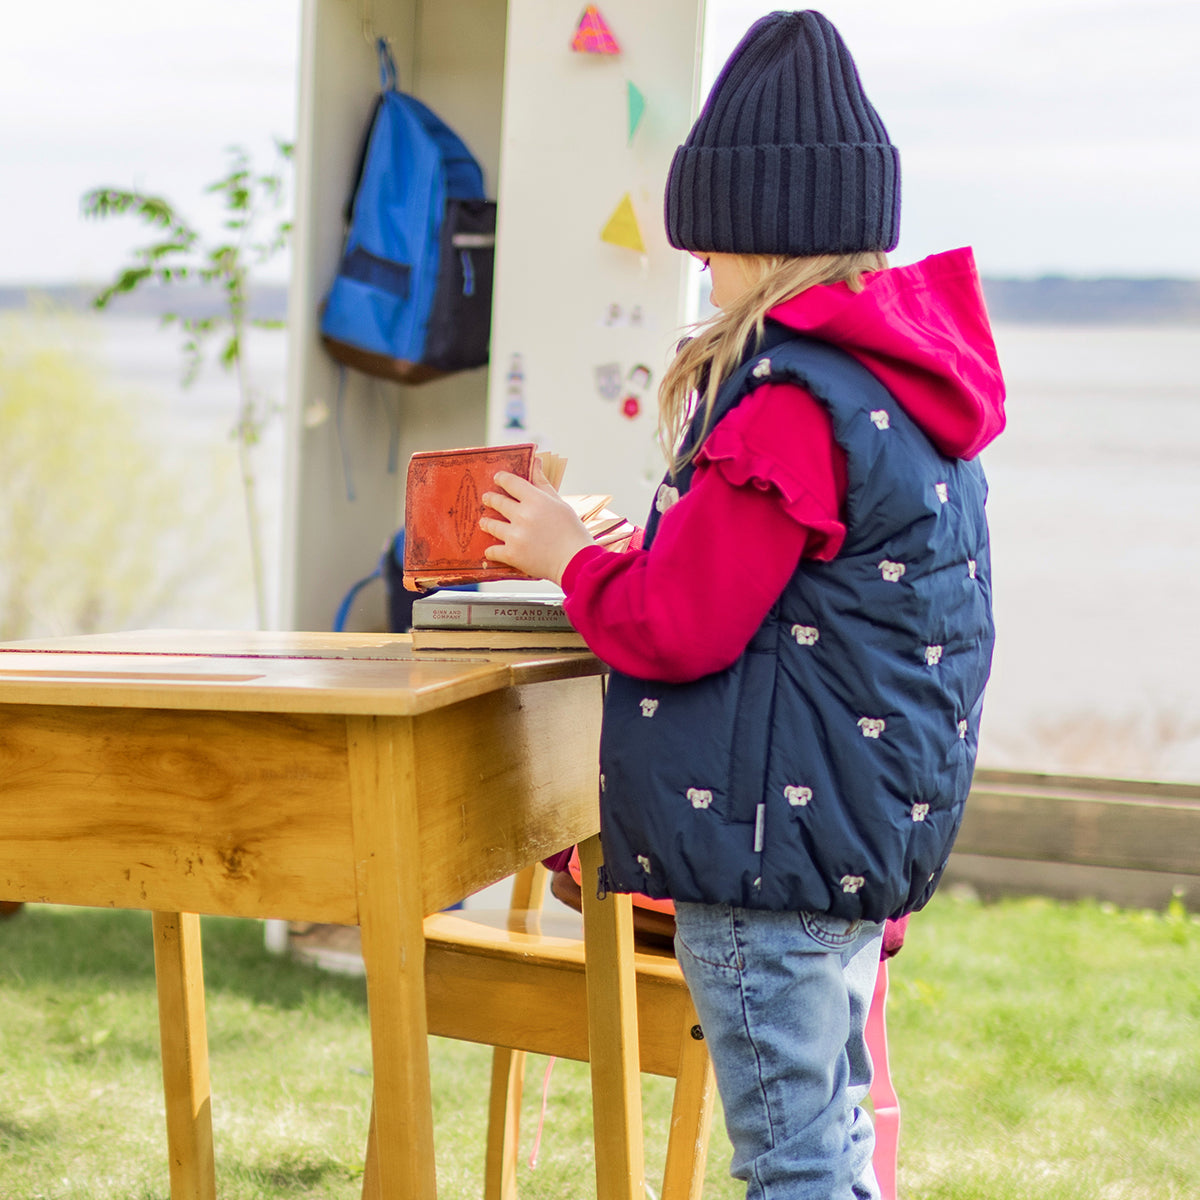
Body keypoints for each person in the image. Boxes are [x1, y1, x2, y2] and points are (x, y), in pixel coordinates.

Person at [480, 11, 1005, 1198]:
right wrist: (637, 556)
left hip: (767, 858)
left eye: (709, 252)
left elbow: (679, 624)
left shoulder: (784, 403)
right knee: (827, 1140)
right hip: (847, 844)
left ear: (768, 241)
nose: (700, 274)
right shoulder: (905, 388)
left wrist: (570, 554)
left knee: (792, 1159)